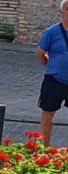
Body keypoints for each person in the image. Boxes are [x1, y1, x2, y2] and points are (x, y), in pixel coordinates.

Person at [36, 0, 68, 146]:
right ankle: (44, 147)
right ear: (61, 12)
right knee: (48, 113)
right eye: (67, 9)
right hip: (54, 80)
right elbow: (40, 53)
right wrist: (51, 65)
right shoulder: (51, 32)